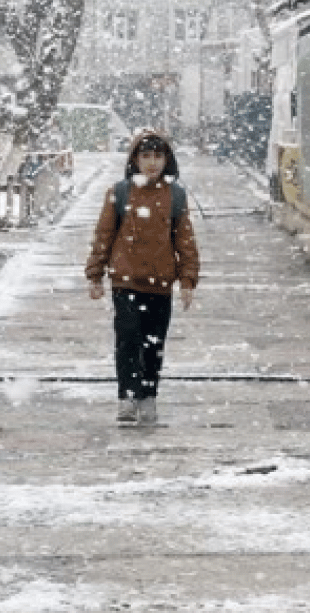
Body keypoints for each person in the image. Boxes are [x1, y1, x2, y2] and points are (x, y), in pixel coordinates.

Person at [85, 130, 200, 425]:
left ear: (167, 160)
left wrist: (187, 280)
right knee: (127, 340)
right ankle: (127, 397)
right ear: (135, 159)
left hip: (161, 284)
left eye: (158, 156)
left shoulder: (175, 195)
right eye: (145, 156)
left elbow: (184, 240)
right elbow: (104, 236)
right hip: (126, 281)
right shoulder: (120, 192)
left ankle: (148, 396)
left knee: (153, 344)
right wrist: (94, 274)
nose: (152, 163)